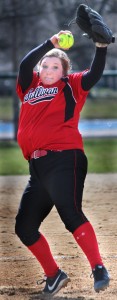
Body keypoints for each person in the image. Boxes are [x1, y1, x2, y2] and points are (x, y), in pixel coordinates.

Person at [15, 28, 110, 296]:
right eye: (45, 65)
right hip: (38, 167)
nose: (47, 69)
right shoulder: (30, 86)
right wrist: (50, 43)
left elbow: (93, 75)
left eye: (55, 66)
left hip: (65, 157)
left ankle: (98, 267)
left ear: (63, 72)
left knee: (70, 213)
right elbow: (24, 65)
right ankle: (54, 275)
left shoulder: (71, 85)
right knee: (24, 227)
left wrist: (101, 47)